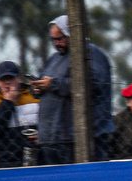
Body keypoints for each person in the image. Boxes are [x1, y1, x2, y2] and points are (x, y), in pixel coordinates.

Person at [28, 14, 115, 164]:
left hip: (78, 138)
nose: (56, 43)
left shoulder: (90, 54)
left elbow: (91, 85)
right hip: (51, 138)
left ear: (71, 34)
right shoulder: (54, 58)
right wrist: (38, 88)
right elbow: (47, 84)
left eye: (60, 38)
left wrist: (53, 84)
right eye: (53, 39)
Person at [0, 60, 40, 168]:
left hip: (36, 161)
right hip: (6, 164)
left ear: (19, 79)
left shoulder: (34, 99)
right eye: (3, 79)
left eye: (11, 78)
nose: (7, 83)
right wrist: (8, 102)